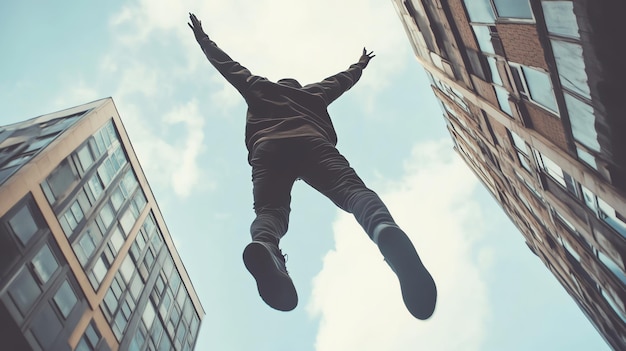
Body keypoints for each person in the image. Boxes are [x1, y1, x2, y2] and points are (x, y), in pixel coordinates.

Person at [188, 13, 437, 320]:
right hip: (312, 143)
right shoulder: (313, 93)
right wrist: (360, 64)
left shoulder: (258, 86)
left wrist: (203, 38)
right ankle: (383, 230)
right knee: (353, 193)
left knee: (270, 213)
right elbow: (341, 81)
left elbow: (228, 66)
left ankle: (266, 245)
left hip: (268, 149)